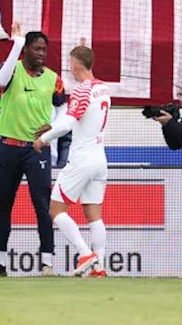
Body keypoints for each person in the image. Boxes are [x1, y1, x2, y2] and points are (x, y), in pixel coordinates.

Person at [0, 22, 67, 276]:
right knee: (3, 205)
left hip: (37, 149)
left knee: (42, 204)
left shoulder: (54, 79)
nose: (41, 54)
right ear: (26, 50)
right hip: (8, 146)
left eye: (44, 50)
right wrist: (16, 45)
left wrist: (53, 126)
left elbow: (64, 108)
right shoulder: (11, 69)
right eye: (36, 49)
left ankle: (47, 263)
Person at [36, 42, 110, 278]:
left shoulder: (81, 90)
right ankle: (99, 267)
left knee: (56, 209)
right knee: (94, 214)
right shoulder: (103, 88)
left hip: (81, 158)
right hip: (100, 157)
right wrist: (52, 125)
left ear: (76, 66)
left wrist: (44, 138)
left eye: (70, 65)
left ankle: (84, 252)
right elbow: (75, 118)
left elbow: (69, 123)